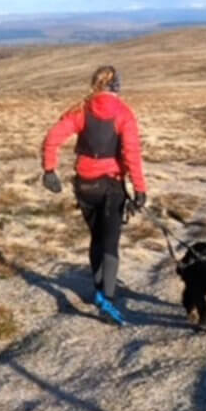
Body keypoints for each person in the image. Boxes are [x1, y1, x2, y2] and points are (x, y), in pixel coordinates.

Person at [41, 65, 147, 324]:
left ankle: (99, 287)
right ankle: (106, 299)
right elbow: (131, 154)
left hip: (85, 185)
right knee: (110, 241)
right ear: (117, 86)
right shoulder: (124, 114)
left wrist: (49, 170)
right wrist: (140, 189)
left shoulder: (81, 110)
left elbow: (52, 138)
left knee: (96, 236)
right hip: (111, 185)